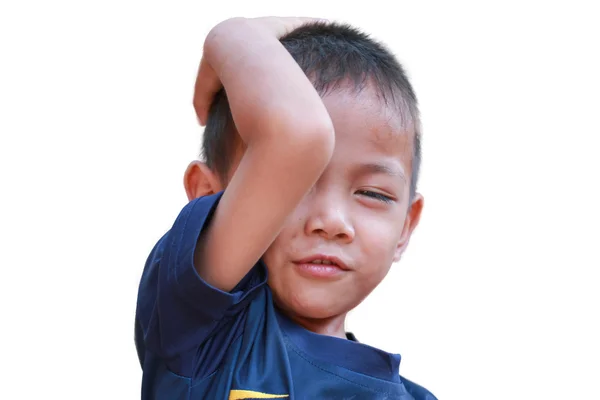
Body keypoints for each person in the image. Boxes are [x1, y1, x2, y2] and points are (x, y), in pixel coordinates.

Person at [135, 16, 437, 399]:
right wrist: (231, 33)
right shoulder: (202, 331)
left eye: (373, 194)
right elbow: (297, 131)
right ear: (207, 196)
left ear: (406, 226)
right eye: (295, 182)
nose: (331, 222)